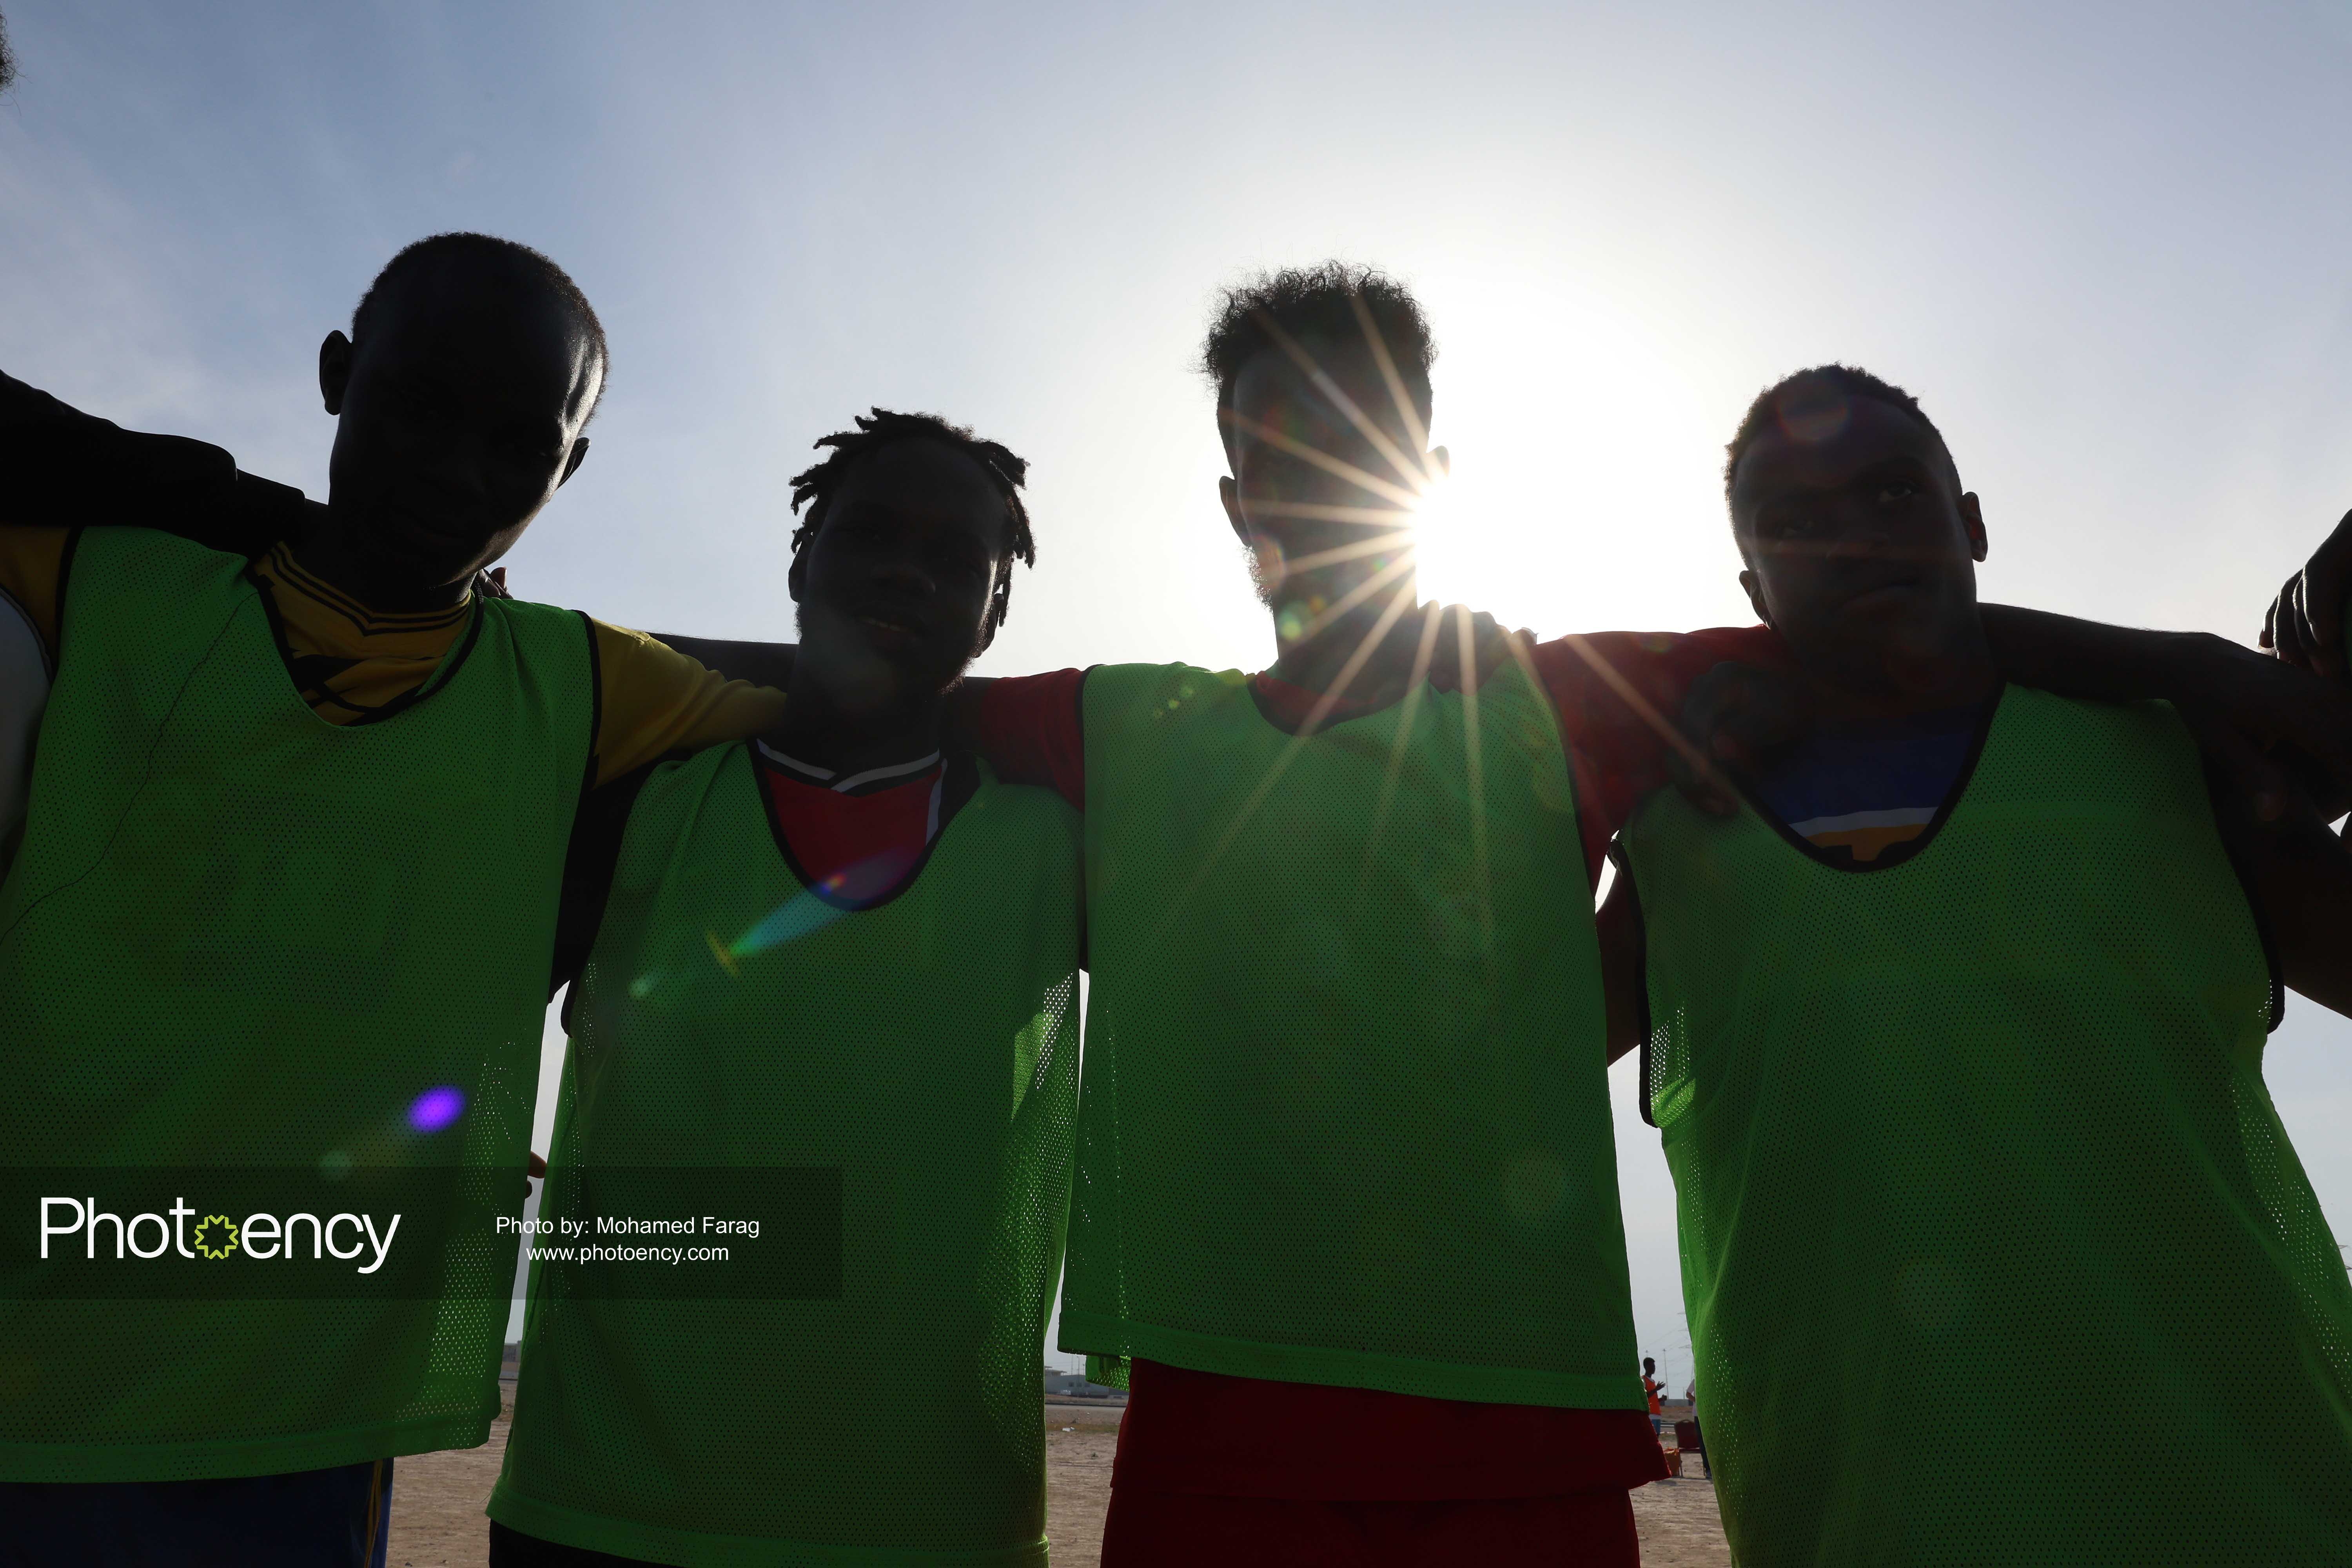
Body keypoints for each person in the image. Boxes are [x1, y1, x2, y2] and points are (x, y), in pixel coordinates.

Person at [668, 265, 2352, 1566]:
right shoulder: (1125, 728)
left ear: (1432, 471)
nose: (1316, 472)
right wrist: (607, 680)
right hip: (1212, 1430)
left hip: (1528, 1441)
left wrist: (2179, 666)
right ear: (1236, 496)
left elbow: (1895, 632)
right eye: (1277, 446)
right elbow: (858, 703)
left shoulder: (1579, 700)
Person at [0, 233, 784, 1567]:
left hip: (298, 1424)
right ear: (335, 377)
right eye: (419, 404)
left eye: (518, 445)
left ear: (570, 469)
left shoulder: (582, 685)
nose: (457, 470)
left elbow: (858, 703)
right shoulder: (79, 581)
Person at [1610, 364, 2352, 1564]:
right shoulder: (1671, 830)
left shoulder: (2173, 760)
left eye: (1896, 493)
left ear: (1974, 525)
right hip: (1851, 1521)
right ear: (1750, 587)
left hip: (2255, 1500)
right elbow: (1490, 1051)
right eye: (1794, 522)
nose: (1851, 539)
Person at [483, 410, 1082, 1567]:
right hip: (606, 1499)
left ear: (1001, 611)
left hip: (931, 1512)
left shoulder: (1063, 839)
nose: (908, 567)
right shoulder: (633, 790)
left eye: (959, 559)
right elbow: (460, 1000)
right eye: (868, 534)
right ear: (801, 558)